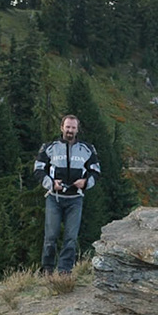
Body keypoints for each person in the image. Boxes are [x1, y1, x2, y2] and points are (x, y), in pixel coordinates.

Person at [35, 114, 100, 274]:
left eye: (73, 127)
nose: (70, 130)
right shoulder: (49, 147)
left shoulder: (87, 149)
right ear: (61, 128)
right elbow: (38, 169)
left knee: (70, 238)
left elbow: (96, 171)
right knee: (50, 237)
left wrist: (85, 183)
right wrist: (51, 184)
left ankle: (65, 271)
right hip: (54, 199)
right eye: (67, 127)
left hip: (75, 199)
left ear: (77, 130)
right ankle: (47, 270)